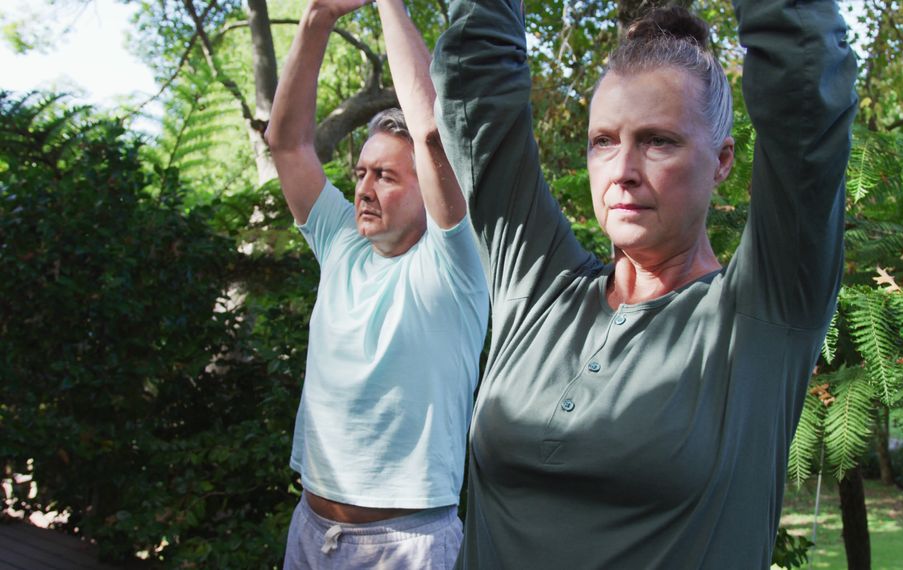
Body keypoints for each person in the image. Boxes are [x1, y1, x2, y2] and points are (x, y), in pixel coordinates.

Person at [431, 0, 857, 567]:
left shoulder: (762, 317)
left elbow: (804, 86)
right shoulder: (537, 290)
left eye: (659, 141)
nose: (623, 170)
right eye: (603, 140)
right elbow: (474, 84)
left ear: (722, 160)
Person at [265, 0, 488, 566]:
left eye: (385, 175)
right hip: (311, 532)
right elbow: (287, 143)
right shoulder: (341, 244)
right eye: (359, 172)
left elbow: (432, 131)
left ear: (427, 188)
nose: (363, 188)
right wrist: (317, 20)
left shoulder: (454, 264)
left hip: (405, 548)